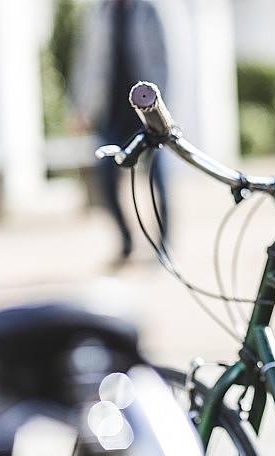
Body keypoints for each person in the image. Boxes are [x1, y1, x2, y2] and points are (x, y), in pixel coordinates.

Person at [70, 0, 169, 264]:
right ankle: (126, 240)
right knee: (104, 178)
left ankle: (164, 247)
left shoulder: (150, 10)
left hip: (149, 112)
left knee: (157, 180)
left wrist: (167, 109)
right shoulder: (97, 12)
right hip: (110, 110)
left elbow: (167, 57)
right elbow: (84, 61)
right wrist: (80, 106)